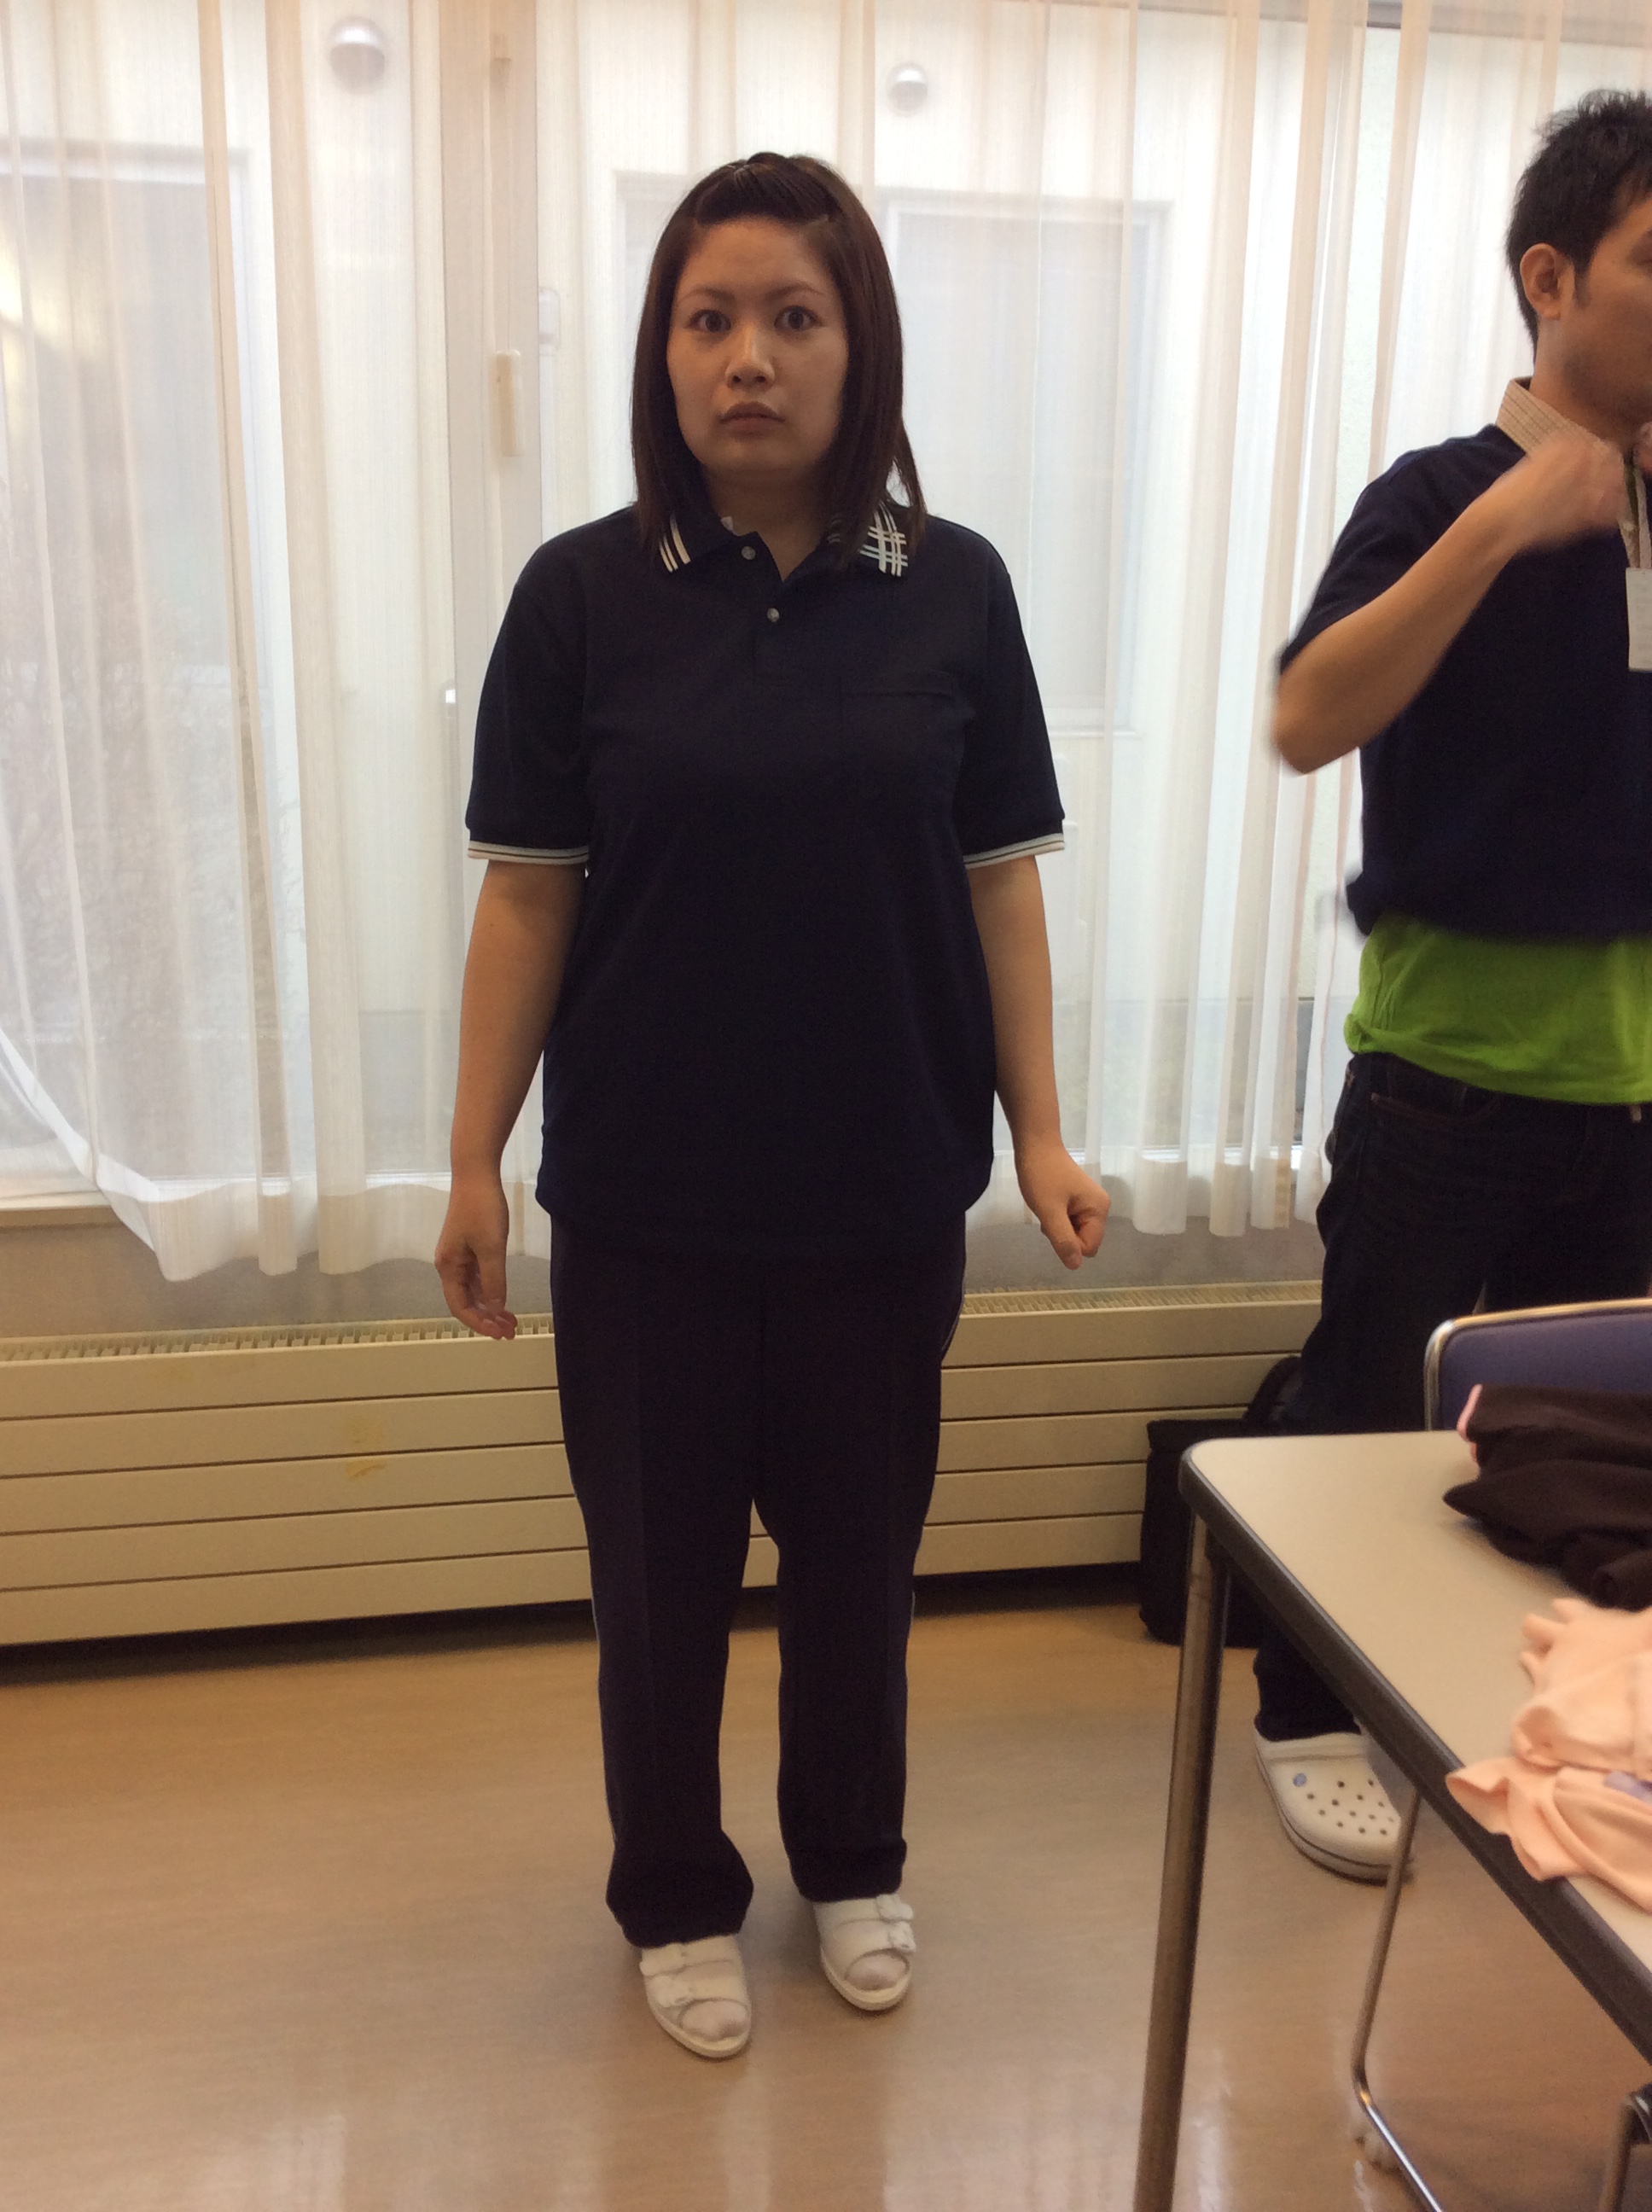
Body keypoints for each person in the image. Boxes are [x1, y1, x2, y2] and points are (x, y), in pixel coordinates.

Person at [434, 152, 1108, 2057]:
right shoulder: (581, 597)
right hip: (645, 1205)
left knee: (857, 1570)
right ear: (661, 354)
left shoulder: (953, 588)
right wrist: (472, 1157)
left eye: (793, 318)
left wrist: (1041, 1131)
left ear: (857, 346)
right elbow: (528, 895)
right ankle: (672, 1892)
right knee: (655, 1590)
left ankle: (854, 1863)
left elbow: (998, 883)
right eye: (709, 318)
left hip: (882, 1194)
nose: (749, 357)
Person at [1259, 88, 1652, 1882]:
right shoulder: (1432, 497)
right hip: (1442, 1087)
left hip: (1628, 1102)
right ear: (1550, 278)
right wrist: (1503, 524)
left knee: (1578, 1460)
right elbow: (1306, 715)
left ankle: (1532, 1723)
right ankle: (1302, 1715)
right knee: (1360, 1424)